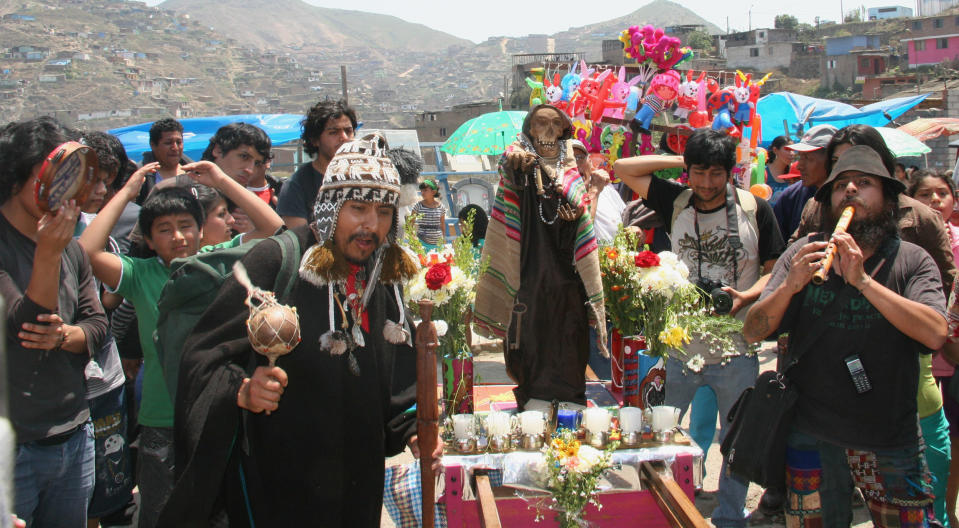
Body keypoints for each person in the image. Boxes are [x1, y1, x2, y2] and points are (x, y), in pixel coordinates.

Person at [159, 133, 440, 526]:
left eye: (384, 212)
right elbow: (202, 357)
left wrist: (413, 429)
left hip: (356, 486)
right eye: (357, 207)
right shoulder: (276, 262)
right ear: (329, 206)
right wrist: (241, 390)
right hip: (279, 484)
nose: (371, 225)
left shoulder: (381, 277)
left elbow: (394, 378)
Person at [744, 145, 948, 526]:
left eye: (864, 183)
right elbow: (753, 330)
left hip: (889, 433)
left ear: (888, 200)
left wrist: (863, 282)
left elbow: (936, 334)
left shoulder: (911, 260)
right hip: (810, 430)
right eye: (841, 186)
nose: (850, 190)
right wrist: (789, 286)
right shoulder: (806, 252)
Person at [614, 128, 785, 528]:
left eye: (717, 173)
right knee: (660, 434)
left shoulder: (754, 208)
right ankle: (663, 510)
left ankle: (729, 517)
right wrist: (683, 162)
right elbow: (623, 167)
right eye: (699, 173)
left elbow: (773, 269)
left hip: (737, 345)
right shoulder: (675, 199)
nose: (707, 183)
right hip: (679, 345)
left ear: (731, 173)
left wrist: (744, 298)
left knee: (737, 441)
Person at [1, 117, 108, 526]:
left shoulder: (72, 250)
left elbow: (97, 326)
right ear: (19, 175)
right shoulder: (49, 246)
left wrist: (69, 336)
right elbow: (25, 327)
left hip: (74, 435)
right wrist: (47, 254)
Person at [473, 104, 608, 412]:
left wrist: (574, 214)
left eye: (554, 125)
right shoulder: (522, 162)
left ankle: (571, 398)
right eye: (539, 124)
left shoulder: (570, 168)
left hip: (566, 276)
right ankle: (533, 396)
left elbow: (581, 216)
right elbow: (509, 164)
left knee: (569, 338)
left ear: (563, 131)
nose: (547, 132)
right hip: (530, 271)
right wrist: (513, 161)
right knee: (531, 336)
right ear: (529, 130)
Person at [907, 169, 959, 527]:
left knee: (952, 437)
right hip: (921, 357)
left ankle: (947, 509)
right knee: (926, 436)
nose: (935, 201)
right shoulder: (906, 244)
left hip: (952, 356)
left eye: (942, 193)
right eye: (926, 194)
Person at [277, 100, 356, 228]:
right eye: (333, 132)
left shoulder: (366, 177)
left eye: (348, 131)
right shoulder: (296, 186)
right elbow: (300, 240)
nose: (344, 138)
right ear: (315, 140)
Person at [772, 125, 837, 241]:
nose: (800, 165)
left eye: (808, 158)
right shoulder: (790, 197)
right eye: (800, 157)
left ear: (831, 160)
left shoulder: (846, 198)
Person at [571, 139, 625, 243]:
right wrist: (594, 191)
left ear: (590, 163)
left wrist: (636, 229)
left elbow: (625, 218)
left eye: (579, 158)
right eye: (570, 160)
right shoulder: (562, 196)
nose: (576, 165)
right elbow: (582, 233)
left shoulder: (607, 189)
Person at [137, 118, 188, 205]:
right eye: (168, 143)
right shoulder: (142, 177)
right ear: (153, 145)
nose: (175, 148)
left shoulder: (196, 172)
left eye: (179, 142)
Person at [411, 179, 446, 250]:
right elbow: (410, 224)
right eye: (421, 191)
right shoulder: (418, 206)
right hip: (422, 244)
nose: (422, 193)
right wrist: (414, 239)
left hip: (438, 245)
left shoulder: (441, 207)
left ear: (433, 192)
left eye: (425, 190)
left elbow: (442, 225)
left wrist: (443, 240)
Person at [764, 135, 794, 205]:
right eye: (787, 149)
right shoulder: (763, 172)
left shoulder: (795, 174)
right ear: (775, 150)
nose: (792, 153)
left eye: (793, 150)